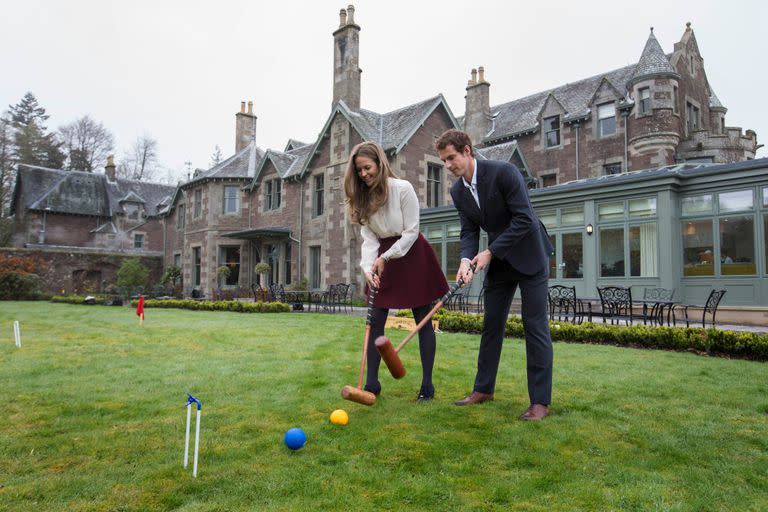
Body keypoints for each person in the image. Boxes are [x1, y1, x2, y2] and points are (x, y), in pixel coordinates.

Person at [435, 129, 554, 420]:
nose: (448, 165)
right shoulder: (457, 191)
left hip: (530, 256)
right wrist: (465, 260)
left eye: (451, 158)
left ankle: (540, 402)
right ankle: (483, 388)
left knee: (534, 325)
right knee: (491, 325)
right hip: (500, 263)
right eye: (444, 161)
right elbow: (469, 230)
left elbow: (525, 218)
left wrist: (489, 252)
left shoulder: (504, 173)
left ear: (467, 151)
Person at [344, 141, 449, 401]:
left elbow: (412, 231)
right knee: (374, 321)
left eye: (367, 168)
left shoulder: (403, 189)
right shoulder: (363, 198)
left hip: (411, 254)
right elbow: (369, 239)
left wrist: (387, 257)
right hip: (382, 257)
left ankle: (427, 386)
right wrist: (368, 268)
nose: (364, 174)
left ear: (380, 164)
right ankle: (371, 385)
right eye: (359, 171)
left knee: (422, 319)